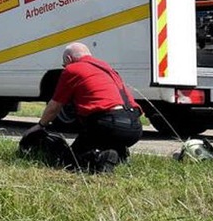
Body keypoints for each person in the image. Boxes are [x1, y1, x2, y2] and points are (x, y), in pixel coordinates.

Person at [24, 43, 143, 172]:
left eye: (64, 64)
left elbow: (55, 106)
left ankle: (101, 158)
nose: (65, 67)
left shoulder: (72, 69)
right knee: (100, 139)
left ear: (69, 59)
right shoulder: (107, 68)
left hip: (107, 124)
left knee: (69, 163)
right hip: (134, 127)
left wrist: (40, 125)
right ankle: (119, 151)